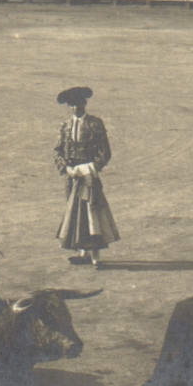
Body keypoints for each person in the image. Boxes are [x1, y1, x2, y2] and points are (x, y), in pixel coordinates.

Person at [55, 85, 119, 267]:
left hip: (89, 176)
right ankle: (83, 252)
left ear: (84, 104)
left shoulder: (95, 124)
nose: (76, 108)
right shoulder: (65, 126)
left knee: (92, 213)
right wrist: (67, 168)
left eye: (79, 104)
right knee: (76, 213)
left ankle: (95, 256)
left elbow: (105, 151)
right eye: (72, 105)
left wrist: (91, 167)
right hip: (72, 177)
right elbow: (57, 151)